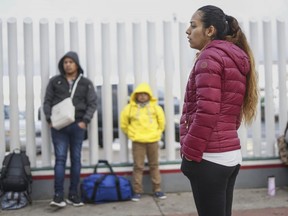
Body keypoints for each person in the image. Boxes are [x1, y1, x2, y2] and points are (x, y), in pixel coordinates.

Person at [180, 5, 258, 216]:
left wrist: (189, 152)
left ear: (210, 30)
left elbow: (207, 110)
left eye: (193, 25)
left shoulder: (209, 58)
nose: (188, 30)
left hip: (210, 158)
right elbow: (232, 113)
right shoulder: (234, 57)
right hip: (230, 155)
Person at [43, 51, 97, 207]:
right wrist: (49, 119)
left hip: (77, 125)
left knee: (76, 159)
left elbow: (92, 103)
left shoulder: (85, 83)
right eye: (65, 62)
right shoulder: (55, 81)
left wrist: (85, 121)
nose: (68, 64)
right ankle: (58, 196)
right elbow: (47, 101)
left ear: (77, 64)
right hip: (59, 126)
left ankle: (74, 194)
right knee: (60, 159)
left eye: (71, 62)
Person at [120, 82, 167, 201]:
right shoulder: (129, 108)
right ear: (135, 95)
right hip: (138, 141)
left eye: (144, 94)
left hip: (153, 140)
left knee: (154, 165)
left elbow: (162, 122)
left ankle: (157, 189)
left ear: (149, 95)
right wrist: (132, 134)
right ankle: (137, 191)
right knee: (138, 166)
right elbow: (124, 123)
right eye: (139, 94)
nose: (142, 96)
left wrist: (157, 133)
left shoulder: (155, 107)